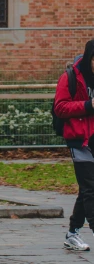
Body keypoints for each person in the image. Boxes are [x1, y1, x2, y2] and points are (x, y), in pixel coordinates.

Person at [54, 39, 94, 252]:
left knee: (87, 188)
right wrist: (88, 105)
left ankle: (72, 233)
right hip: (79, 139)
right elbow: (60, 108)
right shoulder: (70, 77)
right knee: (90, 189)